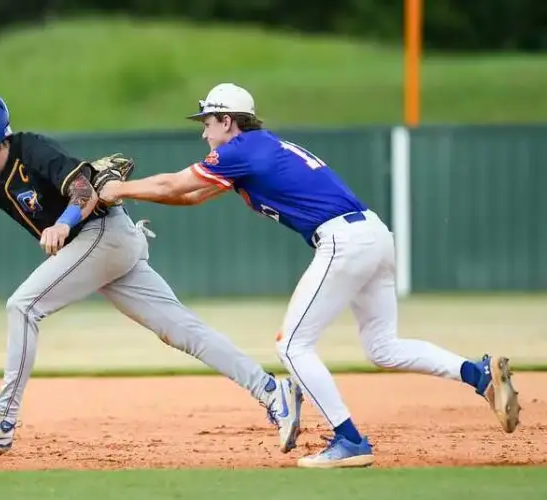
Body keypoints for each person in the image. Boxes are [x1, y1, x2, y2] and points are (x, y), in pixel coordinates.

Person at [0, 90, 303, 456]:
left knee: (22, 306)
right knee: (182, 329)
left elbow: (84, 188)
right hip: (107, 245)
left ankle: (1, 423)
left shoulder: (32, 148)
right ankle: (271, 391)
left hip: (101, 232)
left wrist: (62, 225)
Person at [95, 82, 522, 469]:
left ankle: (349, 440)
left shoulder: (239, 151)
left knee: (293, 346)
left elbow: (172, 184)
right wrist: (133, 195)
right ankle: (478, 375)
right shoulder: (259, 150)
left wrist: (114, 190)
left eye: (208, 122)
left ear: (228, 121)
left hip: (342, 240)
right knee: (383, 347)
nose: (205, 132)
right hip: (373, 234)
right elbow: (189, 197)